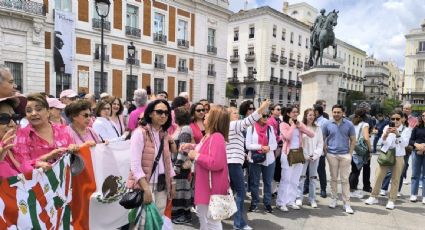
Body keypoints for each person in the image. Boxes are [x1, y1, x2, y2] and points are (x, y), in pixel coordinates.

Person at [129, 99, 176, 228]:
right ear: (150, 113)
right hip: (145, 183)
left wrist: (172, 182)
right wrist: (145, 188)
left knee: (157, 221)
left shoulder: (164, 134)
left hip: (162, 184)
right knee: (143, 223)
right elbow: (135, 165)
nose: (163, 115)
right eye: (159, 112)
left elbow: (168, 162)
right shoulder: (139, 133)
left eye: (166, 113)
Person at [184, 105, 230, 229]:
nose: (205, 113)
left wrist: (196, 156)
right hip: (206, 185)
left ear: (215, 118)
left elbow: (217, 163)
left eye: (208, 112)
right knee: (204, 217)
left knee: (212, 220)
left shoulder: (217, 137)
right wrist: (192, 146)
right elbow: (204, 150)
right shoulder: (210, 135)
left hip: (211, 187)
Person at [227, 99, 270, 229]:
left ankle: (237, 222)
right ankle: (239, 224)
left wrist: (242, 154)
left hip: (233, 162)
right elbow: (249, 120)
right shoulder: (233, 125)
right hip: (233, 163)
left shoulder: (231, 126)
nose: (236, 114)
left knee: (235, 192)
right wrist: (262, 108)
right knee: (241, 192)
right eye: (234, 112)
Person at [13, 93, 76, 171]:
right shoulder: (22, 134)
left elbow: (72, 155)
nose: (33, 113)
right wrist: (39, 162)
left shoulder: (63, 130)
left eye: (38, 109)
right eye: (28, 111)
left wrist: (74, 148)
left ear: (48, 111)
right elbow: (22, 164)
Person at [365, 110, 411, 210]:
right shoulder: (387, 127)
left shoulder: (406, 130)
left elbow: (405, 145)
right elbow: (383, 142)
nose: (395, 121)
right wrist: (386, 135)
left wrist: (398, 134)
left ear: (402, 119)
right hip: (386, 153)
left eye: (397, 119)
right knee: (378, 176)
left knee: (395, 178)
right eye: (393, 119)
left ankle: (391, 200)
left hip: (398, 155)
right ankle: (373, 196)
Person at [276, 106, 314, 212]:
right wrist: (293, 125)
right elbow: (287, 137)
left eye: (297, 112)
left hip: (298, 153)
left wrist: (300, 126)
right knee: (286, 179)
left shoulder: (299, 124)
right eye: (293, 112)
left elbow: (311, 134)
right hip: (287, 153)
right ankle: (281, 202)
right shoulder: (283, 124)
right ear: (288, 113)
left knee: (295, 180)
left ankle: (291, 201)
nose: (296, 114)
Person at [322, 104, 356, 214]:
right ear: (332, 112)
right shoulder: (327, 124)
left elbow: (353, 140)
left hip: (345, 155)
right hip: (331, 155)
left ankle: (346, 203)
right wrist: (326, 151)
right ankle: (334, 199)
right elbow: (322, 138)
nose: (336, 114)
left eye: (338, 112)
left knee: (345, 180)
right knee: (333, 178)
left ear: (343, 113)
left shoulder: (349, 124)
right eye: (334, 112)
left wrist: (350, 154)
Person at [246, 108, 277, 213]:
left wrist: (269, 148)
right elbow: (248, 145)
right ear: (258, 116)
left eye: (267, 116)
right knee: (254, 183)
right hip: (255, 159)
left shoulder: (270, 128)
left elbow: (274, 144)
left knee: (267, 182)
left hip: (269, 159)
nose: (266, 118)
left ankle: (267, 203)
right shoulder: (251, 128)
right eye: (264, 116)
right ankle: (254, 203)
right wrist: (260, 146)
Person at [170, 108, 194, 224]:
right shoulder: (179, 128)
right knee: (179, 190)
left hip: (180, 167)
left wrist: (177, 166)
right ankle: (180, 214)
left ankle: (184, 216)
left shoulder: (185, 129)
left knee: (182, 191)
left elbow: (184, 149)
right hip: (177, 166)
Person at [296, 108, 323, 208]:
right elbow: (299, 142)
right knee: (301, 177)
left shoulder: (318, 128)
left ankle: (312, 199)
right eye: (309, 115)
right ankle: (299, 198)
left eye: (313, 115)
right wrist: (305, 154)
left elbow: (320, 143)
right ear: (306, 116)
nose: (311, 117)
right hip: (303, 156)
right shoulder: (301, 127)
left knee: (313, 178)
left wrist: (315, 154)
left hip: (315, 157)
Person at [348, 109, 372, 199]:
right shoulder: (365, 124)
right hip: (361, 150)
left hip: (352, 149)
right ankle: (351, 190)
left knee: (354, 170)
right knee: (356, 171)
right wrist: (370, 149)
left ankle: (350, 188)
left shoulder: (352, 124)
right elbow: (366, 138)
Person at [267, 104, 283, 197]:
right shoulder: (270, 121)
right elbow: (273, 134)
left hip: (278, 146)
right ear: (272, 111)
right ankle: (270, 190)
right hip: (274, 147)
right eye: (277, 109)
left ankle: (273, 189)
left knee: (276, 168)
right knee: (272, 168)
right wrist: (281, 140)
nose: (279, 111)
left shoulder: (279, 120)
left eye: (280, 109)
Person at [409, 111, 425, 204]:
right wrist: (416, 145)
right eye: (423, 116)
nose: (424, 117)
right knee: (415, 174)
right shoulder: (417, 127)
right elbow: (411, 140)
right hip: (416, 152)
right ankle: (413, 194)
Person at [314, 103, 329, 198]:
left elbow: (327, 135)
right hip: (310, 149)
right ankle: (307, 187)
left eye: (314, 111)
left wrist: (325, 148)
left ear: (317, 111)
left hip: (320, 149)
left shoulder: (325, 121)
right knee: (308, 170)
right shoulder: (311, 120)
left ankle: (323, 189)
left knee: (321, 170)